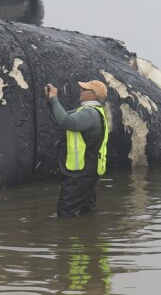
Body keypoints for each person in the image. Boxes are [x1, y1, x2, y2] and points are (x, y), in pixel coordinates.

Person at [44, 79, 111, 217]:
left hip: (80, 174)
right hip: (89, 170)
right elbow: (62, 116)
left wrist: (54, 99)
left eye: (85, 89)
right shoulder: (92, 111)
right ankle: (87, 229)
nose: (81, 91)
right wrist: (51, 100)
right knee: (86, 211)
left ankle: (70, 231)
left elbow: (66, 121)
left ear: (94, 95)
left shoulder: (89, 113)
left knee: (66, 213)